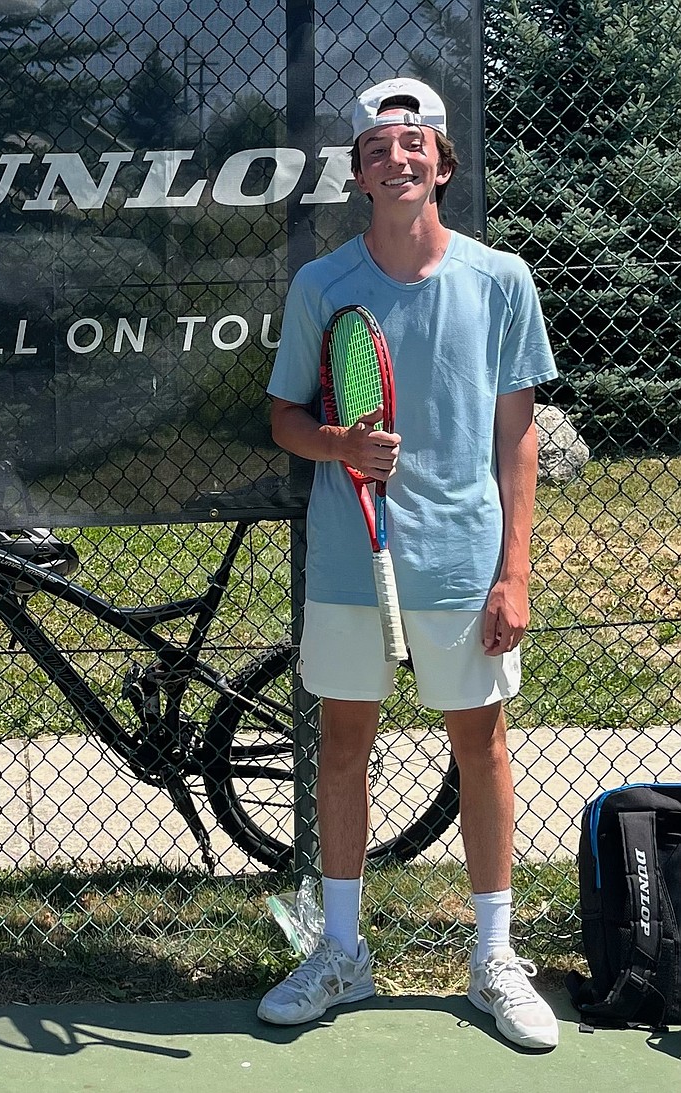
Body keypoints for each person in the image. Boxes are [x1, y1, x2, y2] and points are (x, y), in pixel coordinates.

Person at [259, 78, 559, 1050]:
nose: (399, 157)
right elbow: (285, 421)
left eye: (415, 141)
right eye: (379, 145)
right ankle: (342, 953)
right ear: (357, 173)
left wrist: (514, 570)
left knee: (482, 747)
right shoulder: (322, 286)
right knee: (344, 746)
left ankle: (492, 960)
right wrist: (338, 446)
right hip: (352, 561)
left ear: (443, 163)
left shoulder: (501, 279)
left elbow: (518, 436)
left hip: (465, 561)